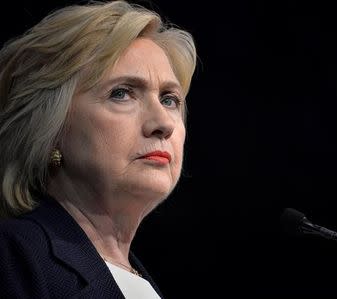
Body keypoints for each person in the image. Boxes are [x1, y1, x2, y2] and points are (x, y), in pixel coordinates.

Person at [0, 1, 196, 298]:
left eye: (169, 99)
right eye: (122, 93)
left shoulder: (137, 279)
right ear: (51, 128)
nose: (163, 124)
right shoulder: (14, 257)